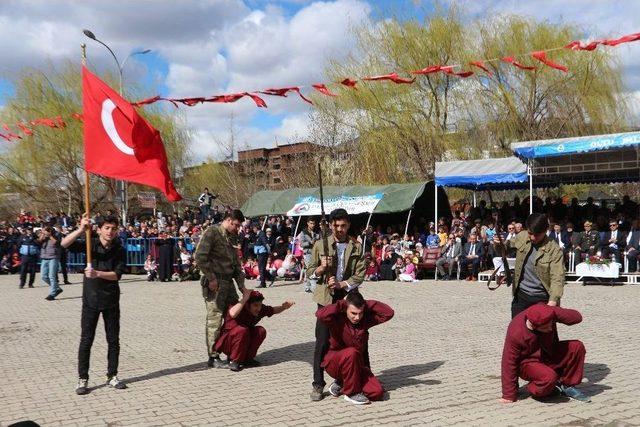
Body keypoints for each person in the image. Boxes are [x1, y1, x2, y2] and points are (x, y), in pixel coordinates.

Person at [62, 215, 128, 395]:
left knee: (113, 340)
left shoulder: (119, 249)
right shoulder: (90, 244)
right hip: (90, 300)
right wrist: (81, 230)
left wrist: (97, 273)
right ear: (99, 229)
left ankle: (112, 376)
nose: (110, 231)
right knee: (86, 340)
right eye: (106, 228)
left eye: (113, 228)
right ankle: (82, 378)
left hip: (111, 300)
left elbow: (117, 274)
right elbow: (64, 244)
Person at [307, 208, 366, 401]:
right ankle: (318, 384)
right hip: (325, 298)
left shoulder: (356, 246)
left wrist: (342, 284)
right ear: (330, 225)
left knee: (351, 340)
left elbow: (359, 275)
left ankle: (348, 379)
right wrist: (321, 268)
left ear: (348, 225)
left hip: (346, 297)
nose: (339, 229)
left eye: (343, 225)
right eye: (336, 225)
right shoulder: (319, 244)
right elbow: (309, 272)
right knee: (322, 342)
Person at [500, 304, 590, 403]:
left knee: (577, 347)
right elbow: (508, 362)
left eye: (551, 325)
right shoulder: (516, 331)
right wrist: (509, 395)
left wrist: (555, 312)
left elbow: (577, 317)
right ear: (534, 326)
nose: (551, 329)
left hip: (549, 352)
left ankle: (567, 385)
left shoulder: (547, 313)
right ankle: (535, 389)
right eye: (546, 327)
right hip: (528, 362)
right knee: (549, 378)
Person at [195, 209, 250, 369]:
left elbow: (236, 266)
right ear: (229, 220)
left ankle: (233, 353)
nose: (238, 229)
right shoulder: (212, 232)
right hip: (215, 282)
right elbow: (200, 256)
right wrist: (211, 278)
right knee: (215, 319)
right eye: (237, 225)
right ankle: (213, 356)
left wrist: (242, 287)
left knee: (234, 316)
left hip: (228, 282)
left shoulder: (232, 237)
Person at [316, 292, 394, 405]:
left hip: (357, 366)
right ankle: (351, 393)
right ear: (346, 308)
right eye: (353, 313)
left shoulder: (364, 320)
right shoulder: (336, 319)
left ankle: (342, 384)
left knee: (377, 392)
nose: (357, 317)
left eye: (360, 313)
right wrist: (343, 303)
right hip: (335, 363)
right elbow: (320, 314)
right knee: (351, 352)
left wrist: (364, 303)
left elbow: (388, 313)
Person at [494, 213, 565, 318]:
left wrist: (553, 301)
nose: (532, 237)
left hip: (543, 299)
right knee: (517, 333)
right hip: (521, 297)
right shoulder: (522, 236)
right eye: (530, 233)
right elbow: (504, 250)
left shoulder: (554, 250)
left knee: (543, 334)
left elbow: (557, 278)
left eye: (536, 235)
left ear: (545, 231)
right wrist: (498, 243)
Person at [214, 290, 294, 371]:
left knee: (260, 331)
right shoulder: (237, 308)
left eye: (260, 305)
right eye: (255, 306)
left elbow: (273, 310)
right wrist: (244, 298)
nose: (258, 308)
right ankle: (233, 361)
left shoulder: (260, 309)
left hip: (243, 339)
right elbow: (232, 313)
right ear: (247, 304)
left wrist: (284, 307)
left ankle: (247, 359)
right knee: (242, 330)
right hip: (227, 343)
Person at [39, 226, 62, 301]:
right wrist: (42, 235)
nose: (44, 232)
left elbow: (56, 243)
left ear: (49, 231)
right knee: (43, 276)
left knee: (52, 276)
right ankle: (57, 288)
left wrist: (50, 236)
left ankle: (52, 294)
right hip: (44, 258)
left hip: (53, 258)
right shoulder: (43, 238)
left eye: (45, 231)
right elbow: (38, 242)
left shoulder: (56, 236)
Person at [298, 218, 319, 293]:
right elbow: (301, 244)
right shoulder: (303, 232)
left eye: (313, 223)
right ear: (307, 223)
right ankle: (311, 286)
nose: (312, 225)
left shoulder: (317, 232)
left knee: (311, 269)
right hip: (308, 253)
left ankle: (307, 286)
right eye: (311, 223)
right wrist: (310, 242)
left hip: (316, 252)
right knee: (310, 269)